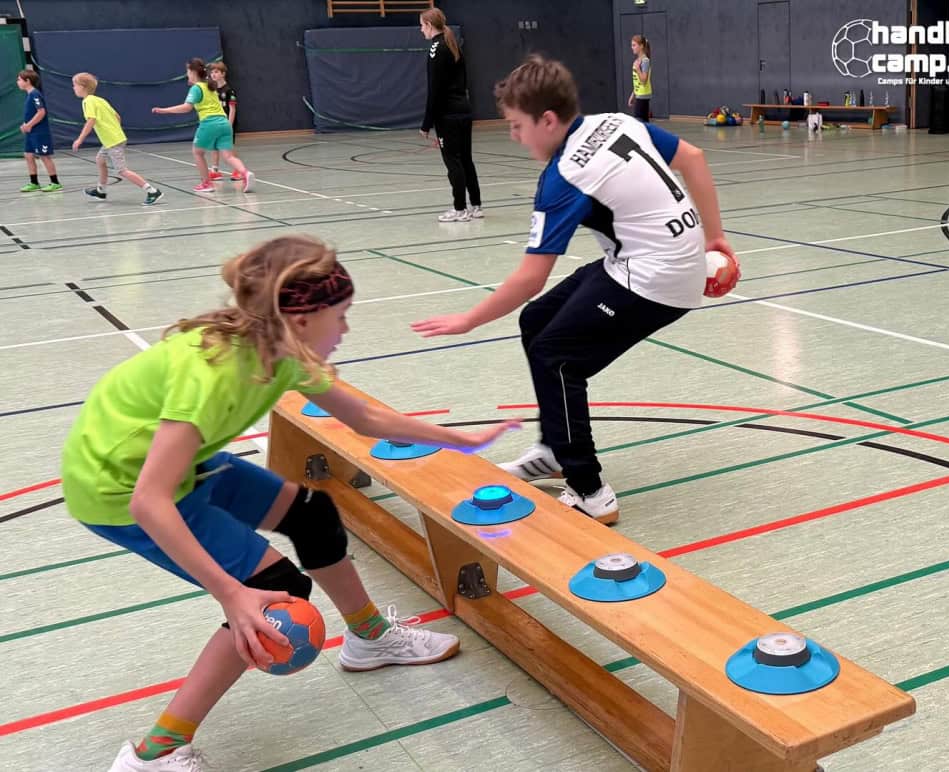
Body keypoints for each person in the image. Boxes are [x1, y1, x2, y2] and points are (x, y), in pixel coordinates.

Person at [61, 234, 520, 771]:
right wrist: (232, 593)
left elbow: (364, 418)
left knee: (312, 515)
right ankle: (153, 756)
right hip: (117, 490)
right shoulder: (212, 375)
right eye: (340, 316)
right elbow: (149, 501)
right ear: (302, 319)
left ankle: (370, 638)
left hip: (181, 468)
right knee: (273, 596)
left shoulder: (277, 347)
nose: (345, 329)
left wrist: (459, 438)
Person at [412, 55, 739, 525]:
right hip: (655, 259)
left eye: (517, 125)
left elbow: (530, 278)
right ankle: (554, 448)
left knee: (557, 357)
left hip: (655, 277)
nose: (514, 135)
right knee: (537, 321)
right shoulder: (615, 121)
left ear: (548, 120)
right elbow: (693, 157)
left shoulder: (565, 176)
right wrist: (714, 236)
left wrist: (468, 320)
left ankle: (589, 491)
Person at [419, 7, 483, 222]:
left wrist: (426, 123)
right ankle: (476, 205)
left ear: (429, 25)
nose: (421, 30)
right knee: (466, 160)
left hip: (448, 115)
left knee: (453, 162)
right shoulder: (454, 45)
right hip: (463, 110)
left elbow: (434, 89)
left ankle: (459, 209)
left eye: (422, 26)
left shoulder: (436, 49)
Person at [152, 58, 253, 193]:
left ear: (193, 72)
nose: (187, 74)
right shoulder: (210, 86)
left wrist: (164, 110)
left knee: (198, 152)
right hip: (224, 123)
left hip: (209, 123)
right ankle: (245, 173)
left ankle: (206, 184)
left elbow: (187, 107)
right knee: (228, 156)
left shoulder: (196, 88)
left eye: (188, 71)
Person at [70, 72, 163, 205]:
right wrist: (113, 130)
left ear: (82, 86)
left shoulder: (87, 101)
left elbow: (91, 120)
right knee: (100, 160)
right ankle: (101, 191)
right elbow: (117, 117)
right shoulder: (100, 100)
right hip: (113, 139)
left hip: (112, 141)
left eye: (74, 85)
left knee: (122, 170)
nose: (73, 88)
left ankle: (152, 191)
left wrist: (80, 139)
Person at [16, 69, 61, 193]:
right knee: (28, 155)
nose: (17, 82)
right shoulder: (29, 95)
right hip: (31, 132)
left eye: (19, 80)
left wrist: (29, 125)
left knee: (44, 156)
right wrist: (25, 124)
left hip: (40, 132)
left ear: (27, 81)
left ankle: (55, 183)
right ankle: (34, 182)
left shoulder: (35, 94)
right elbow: (31, 113)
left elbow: (41, 112)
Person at [205, 62, 240, 182]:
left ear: (223, 74)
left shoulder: (229, 91)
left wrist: (229, 125)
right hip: (216, 122)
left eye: (216, 72)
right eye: (212, 72)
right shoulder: (213, 90)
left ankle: (238, 170)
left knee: (229, 146)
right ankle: (215, 171)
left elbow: (232, 109)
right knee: (214, 146)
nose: (213, 74)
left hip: (227, 123)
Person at [627, 34, 652, 123]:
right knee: (643, 123)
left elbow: (644, 80)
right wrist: (633, 95)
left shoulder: (645, 61)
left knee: (640, 123)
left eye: (634, 45)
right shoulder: (637, 61)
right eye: (632, 45)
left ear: (641, 46)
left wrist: (637, 69)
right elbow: (637, 81)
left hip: (643, 96)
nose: (632, 47)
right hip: (639, 95)